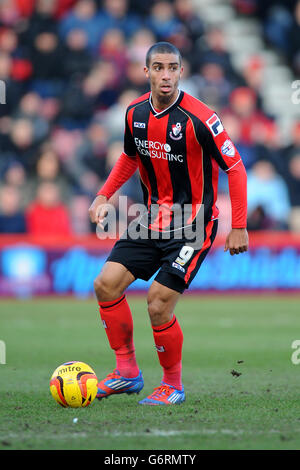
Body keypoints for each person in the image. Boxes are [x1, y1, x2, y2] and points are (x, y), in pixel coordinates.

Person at [89, 42, 248, 406]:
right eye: (158, 67)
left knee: (158, 302)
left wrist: (238, 225)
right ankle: (127, 373)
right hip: (151, 219)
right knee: (106, 285)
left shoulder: (201, 118)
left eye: (172, 68)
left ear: (180, 71)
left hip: (193, 223)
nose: (165, 75)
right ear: (146, 72)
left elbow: (235, 167)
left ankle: (172, 384)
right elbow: (130, 156)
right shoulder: (134, 114)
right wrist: (103, 196)